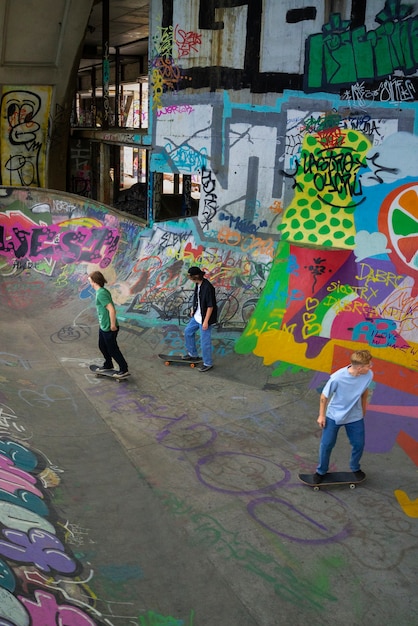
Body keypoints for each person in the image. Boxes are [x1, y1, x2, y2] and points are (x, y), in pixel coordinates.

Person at [313, 349, 373, 484]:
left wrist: (363, 409)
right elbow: (324, 396)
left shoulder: (368, 374)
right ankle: (321, 471)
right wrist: (321, 416)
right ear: (359, 367)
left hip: (355, 416)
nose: (370, 367)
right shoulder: (338, 377)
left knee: (359, 443)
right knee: (327, 444)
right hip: (334, 415)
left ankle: (355, 467)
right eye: (368, 365)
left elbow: (364, 390)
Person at [88, 271, 129, 379]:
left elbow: (111, 309)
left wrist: (112, 325)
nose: (90, 284)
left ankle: (124, 369)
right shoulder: (101, 291)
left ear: (95, 282)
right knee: (102, 346)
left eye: (91, 282)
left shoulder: (101, 293)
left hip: (109, 327)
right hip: (103, 326)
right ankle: (108, 364)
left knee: (112, 349)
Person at [183, 266, 217, 372]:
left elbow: (210, 306)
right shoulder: (198, 284)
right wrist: (194, 309)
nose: (190, 279)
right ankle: (193, 354)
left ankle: (208, 363)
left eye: (190, 277)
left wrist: (206, 321)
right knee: (188, 331)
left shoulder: (208, 287)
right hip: (197, 316)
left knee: (204, 342)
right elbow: (197, 298)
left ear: (196, 276)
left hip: (204, 318)